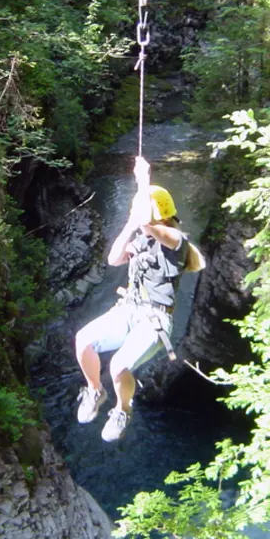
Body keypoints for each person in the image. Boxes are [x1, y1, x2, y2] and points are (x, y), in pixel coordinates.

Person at [74, 156, 189, 442]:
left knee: (118, 366)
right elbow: (114, 259)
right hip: (129, 309)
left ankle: (122, 409)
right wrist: (128, 225)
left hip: (156, 318)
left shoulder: (177, 242)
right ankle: (95, 390)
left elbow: (152, 228)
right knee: (82, 340)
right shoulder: (141, 238)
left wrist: (143, 181)